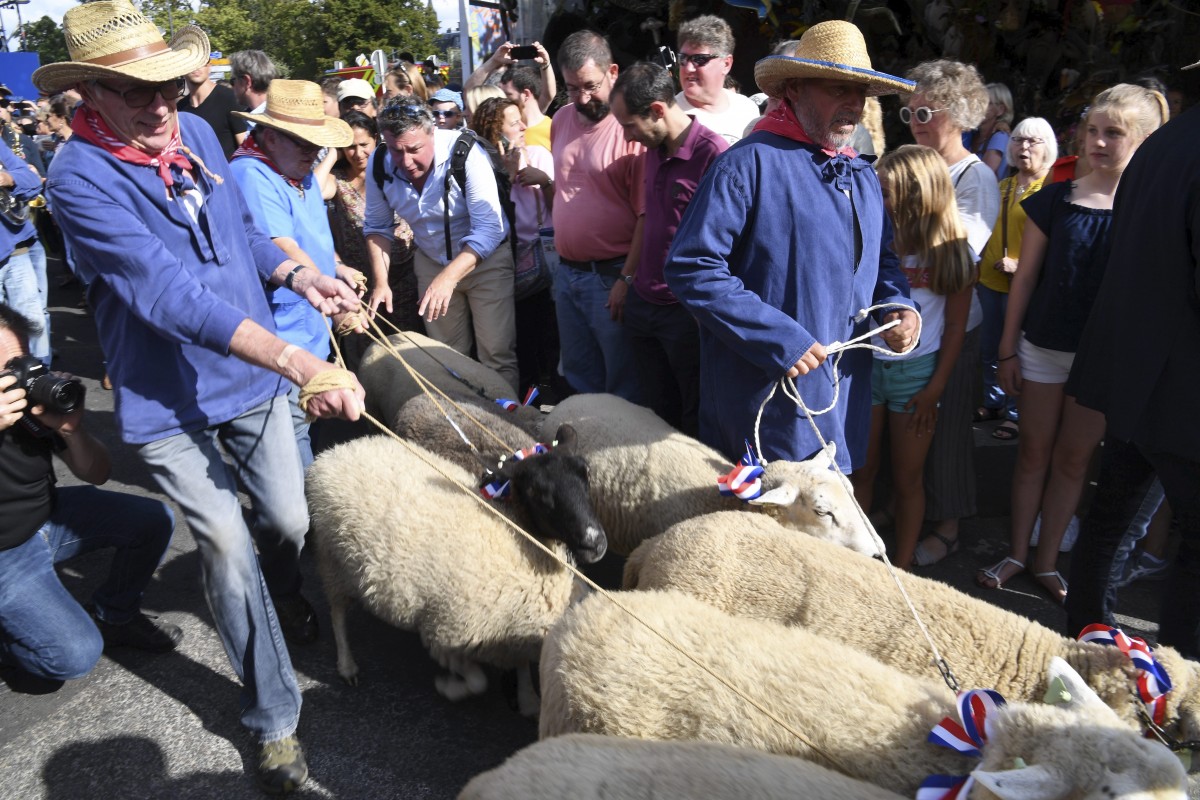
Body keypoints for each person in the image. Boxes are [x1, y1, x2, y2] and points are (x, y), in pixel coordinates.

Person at [37, 3, 366, 791]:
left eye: (170, 87)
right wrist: (296, 360)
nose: (161, 105)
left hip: (248, 381)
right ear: (88, 91)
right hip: (164, 400)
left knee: (287, 521)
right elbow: (168, 294)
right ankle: (274, 721)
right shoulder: (77, 175)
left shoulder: (201, 134)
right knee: (226, 543)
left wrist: (297, 273)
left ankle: (269, 600)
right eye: (134, 91)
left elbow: (239, 231)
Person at [664, 20, 918, 471]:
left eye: (860, 92)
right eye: (838, 88)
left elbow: (881, 264)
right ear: (795, 89)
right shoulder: (745, 165)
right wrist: (781, 339)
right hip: (765, 403)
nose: (853, 104)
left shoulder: (861, 176)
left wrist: (898, 307)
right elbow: (692, 268)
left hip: (841, 401)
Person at [981, 84, 1166, 603]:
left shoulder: (1149, 209)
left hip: (1104, 359)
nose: (1099, 142)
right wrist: (1006, 349)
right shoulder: (1054, 200)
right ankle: (1017, 552)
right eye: (1092, 131)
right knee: (1033, 452)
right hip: (1042, 348)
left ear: (1145, 140)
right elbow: (1024, 280)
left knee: (1073, 460)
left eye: (1114, 133)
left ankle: (1046, 562)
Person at [1063, 94, 1198, 659]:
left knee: (1110, 522)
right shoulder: (1170, 144)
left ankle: (1082, 647)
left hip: (1139, 378)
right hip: (1182, 391)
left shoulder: (1163, 144)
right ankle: (1182, 694)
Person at [0, 304, 181, 683]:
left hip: (50, 517)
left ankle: (114, 615)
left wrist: (70, 429)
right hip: (5, 553)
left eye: (17, 365)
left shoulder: (30, 405)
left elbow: (97, 473)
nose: (13, 380)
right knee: (73, 657)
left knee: (153, 520)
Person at [850, 145, 975, 569]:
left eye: (888, 192)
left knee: (907, 480)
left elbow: (956, 328)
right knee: (861, 474)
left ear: (918, 196)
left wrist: (934, 389)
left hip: (917, 377)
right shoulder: (869, 241)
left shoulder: (953, 252)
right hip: (866, 368)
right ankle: (857, 564)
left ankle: (900, 570)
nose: (880, 200)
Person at [230, 80, 359, 468]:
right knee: (294, 439)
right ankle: (302, 524)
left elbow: (312, 233)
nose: (313, 151)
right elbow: (280, 245)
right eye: (302, 142)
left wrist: (335, 265)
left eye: (315, 142)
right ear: (269, 136)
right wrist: (335, 299)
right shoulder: (251, 173)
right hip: (280, 335)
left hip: (309, 326)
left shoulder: (295, 168)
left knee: (312, 426)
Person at [902, 59, 998, 559]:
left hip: (955, 325)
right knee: (915, 427)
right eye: (909, 114)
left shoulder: (974, 176)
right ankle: (912, 515)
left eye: (925, 112)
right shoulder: (918, 165)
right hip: (910, 325)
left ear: (959, 114)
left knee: (950, 427)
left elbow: (958, 255)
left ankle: (949, 525)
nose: (916, 123)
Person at [364, 98, 519, 390]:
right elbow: (376, 226)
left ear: (432, 132)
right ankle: (459, 423)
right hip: (432, 261)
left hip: (485, 262)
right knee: (446, 357)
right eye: (397, 151)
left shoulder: (465, 153)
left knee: (496, 355)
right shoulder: (378, 163)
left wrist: (447, 279)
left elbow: (489, 229)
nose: (406, 161)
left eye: (414, 149)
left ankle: (505, 424)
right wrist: (381, 281)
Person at [609, 62, 727, 436]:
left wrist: (704, 309)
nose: (628, 136)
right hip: (644, 303)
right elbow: (649, 219)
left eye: (629, 125)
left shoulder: (714, 155)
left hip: (686, 312)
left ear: (658, 110)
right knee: (651, 412)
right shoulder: (653, 150)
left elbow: (729, 242)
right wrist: (626, 279)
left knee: (692, 416)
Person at [550, 31, 646, 402]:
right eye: (572, 88)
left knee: (622, 384)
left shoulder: (630, 130)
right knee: (579, 381)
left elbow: (645, 216)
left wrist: (626, 277)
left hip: (610, 277)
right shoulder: (561, 118)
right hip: (568, 274)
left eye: (589, 86)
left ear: (613, 72)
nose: (582, 98)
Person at [470, 96, 560, 398]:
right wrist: (507, 178)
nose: (523, 126)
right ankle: (524, 406)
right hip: (501, 270)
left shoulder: (538, 155)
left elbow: (559, 212)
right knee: (516, 345)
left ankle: (552, 398)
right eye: (513, 123)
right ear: (495, 132)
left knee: (549, 341)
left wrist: (545, 182)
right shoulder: (479, 166)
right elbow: (490, 221)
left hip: (542, 266)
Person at [974, 117, 1057, 441]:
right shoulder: (1004, 185)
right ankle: (993, 403)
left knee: (1018, 351)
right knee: (989, 348)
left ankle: (1015, 412)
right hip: (990, 282)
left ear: (1047, 148)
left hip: (1026, 285)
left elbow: (1056, 243)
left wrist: (1021, 264)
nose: (1024, 147)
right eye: (1019, 140)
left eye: (1033, 142)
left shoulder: (1049, 190)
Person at [326, 111, 422, 366]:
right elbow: (313, 191)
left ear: (376, 140)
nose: (357, 153)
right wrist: (332, 155)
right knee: (368, 357)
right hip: (361, 284)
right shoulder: (337, 179)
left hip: (405, 277)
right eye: (350, 147)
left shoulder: (394, 167)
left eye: (363, 145)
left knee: (410, 352)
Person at [673, 15, 760, 145]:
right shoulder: (670, 115)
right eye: (683, 58)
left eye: (699, 59)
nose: (689, 68)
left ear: (726, 64)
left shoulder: (746, 108)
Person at [462, 42, 557, 147]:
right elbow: (469, 90)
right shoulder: (499, 117)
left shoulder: (533, 115)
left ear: (526, 95)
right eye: (513, 123)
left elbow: (548, 94)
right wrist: (494, 61)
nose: (503, 98)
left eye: (508, 94)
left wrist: (545, 64)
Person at [180, 58, 248, 159]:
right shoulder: (179, 109)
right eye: (191, 60)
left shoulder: (229, 98)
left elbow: (246, 150)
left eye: (201, 60)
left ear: (209, 66)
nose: (197, 66)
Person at [966, 82, 1013, 179]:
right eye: (978, 101)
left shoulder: (1000, 136)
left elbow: (984, 175)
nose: (978, 107)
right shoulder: (972, 133)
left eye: (986, 103)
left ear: (1000, 110)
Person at [229, 49, 275, 115]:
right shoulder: (280, 114)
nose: (232, 87)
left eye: (232, 81)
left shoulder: (270, 122)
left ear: (246, 82)